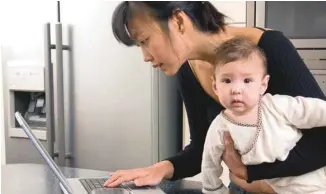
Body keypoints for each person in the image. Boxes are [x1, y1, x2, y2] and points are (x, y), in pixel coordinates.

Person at [104, 1, 326, 193]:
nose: (144, 56)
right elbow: (203, 146)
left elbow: (322, 142)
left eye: (144, 40)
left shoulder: (270, 47)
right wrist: (160, 169)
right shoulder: (187, 68)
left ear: (179, 21)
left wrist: (250, 173)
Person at [202, 37, 326, 194]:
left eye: (247, 80)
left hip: (316, 170)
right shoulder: (220, 128)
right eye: (227, 80)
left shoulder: (276, 106)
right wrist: (214, 189)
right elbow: (209, 164)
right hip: (286, 188)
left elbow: (312, 110)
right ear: (215, 86)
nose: (236, 89)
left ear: (263, 85)